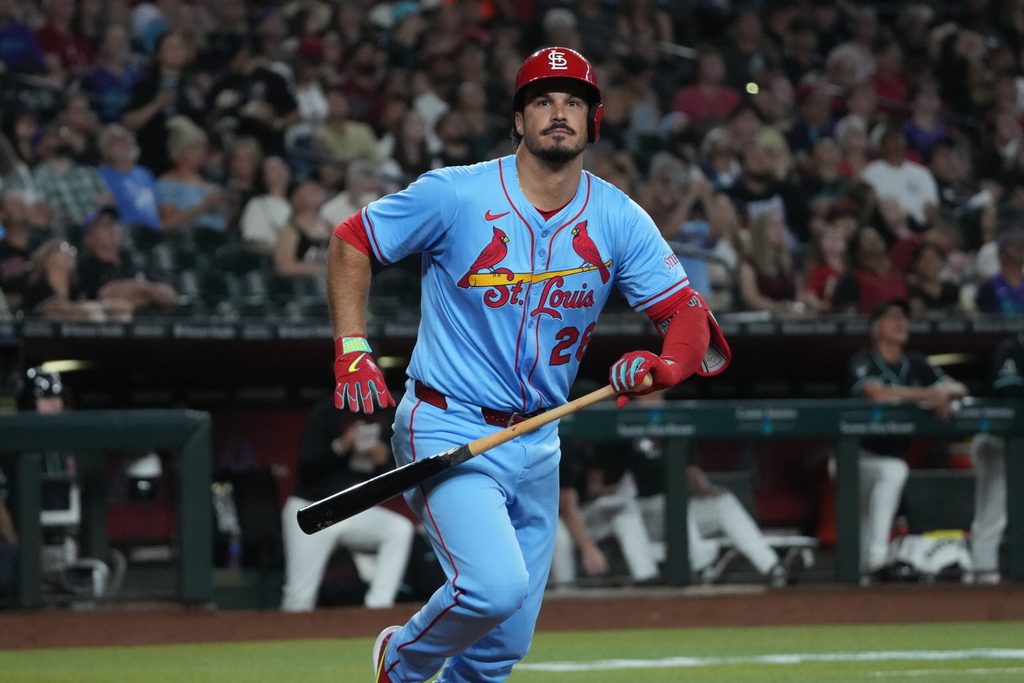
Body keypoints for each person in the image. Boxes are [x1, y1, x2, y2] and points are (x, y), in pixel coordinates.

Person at [327, 47, 729, 683]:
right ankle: (398, 663)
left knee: (499, 648)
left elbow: (686, 317)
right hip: (448, 424)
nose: (559, 113)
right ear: (519, 120)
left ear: (593, 122)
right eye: (542, 100)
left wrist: (664, 367)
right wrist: (353, 346)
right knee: (491, 588)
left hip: (541, 435)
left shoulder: (618, 215)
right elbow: (354, 238)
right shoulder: (456, 194)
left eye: (574, 102)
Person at [847, 299, 968, 580]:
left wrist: (947, 393)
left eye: (904, 318)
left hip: (886, 458)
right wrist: (928, 394)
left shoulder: (916, 363)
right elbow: (876, 393)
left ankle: (864, 579)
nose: (901, 323)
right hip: (853, 457)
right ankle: (878, 560)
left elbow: (959, 386)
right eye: (892, 318)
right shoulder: (863, 361)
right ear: (876, 329)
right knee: (893, 471)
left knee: (870, 516)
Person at [280, 395, 414, 611]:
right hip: (313, 508)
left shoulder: (386, 412)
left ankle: (377, 608)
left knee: (399, 529)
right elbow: (306, 469)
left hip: (350, 509)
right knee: (299, 598)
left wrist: (383, 459)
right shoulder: (326, 411)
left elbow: (377, 474)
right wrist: (342, 445)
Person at [549, 440, 661, 588]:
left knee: (625, 514)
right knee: (559, 536)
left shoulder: (603, 445)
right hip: (558, 519)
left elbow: (594, 486)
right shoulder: (562, 447)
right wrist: (588, 548)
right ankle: (565, 590)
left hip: (588, 513)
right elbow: (566, 507)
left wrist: (599, 489)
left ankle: (646, 577)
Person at [966, 333, 1022, 584]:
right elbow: (1009, 391)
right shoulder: (1011, 348)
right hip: (998, 442)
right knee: (992, 516)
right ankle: (984, 578)